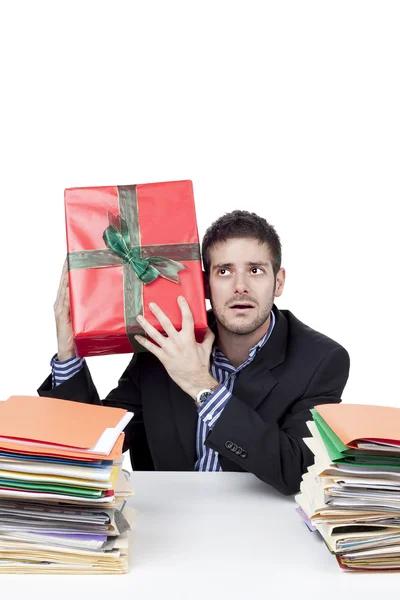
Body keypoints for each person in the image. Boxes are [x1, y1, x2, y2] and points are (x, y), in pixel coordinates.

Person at [38, 210, 350, 496]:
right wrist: (68, 354)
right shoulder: (164, 344)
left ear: (278, 282)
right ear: (204, 285)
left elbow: (297, 471)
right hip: (168, 533)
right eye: (224, 271)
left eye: (255, 270)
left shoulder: (321, 361)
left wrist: (201, 385)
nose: (240, 286)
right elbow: (96, 447)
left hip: (263, 535)